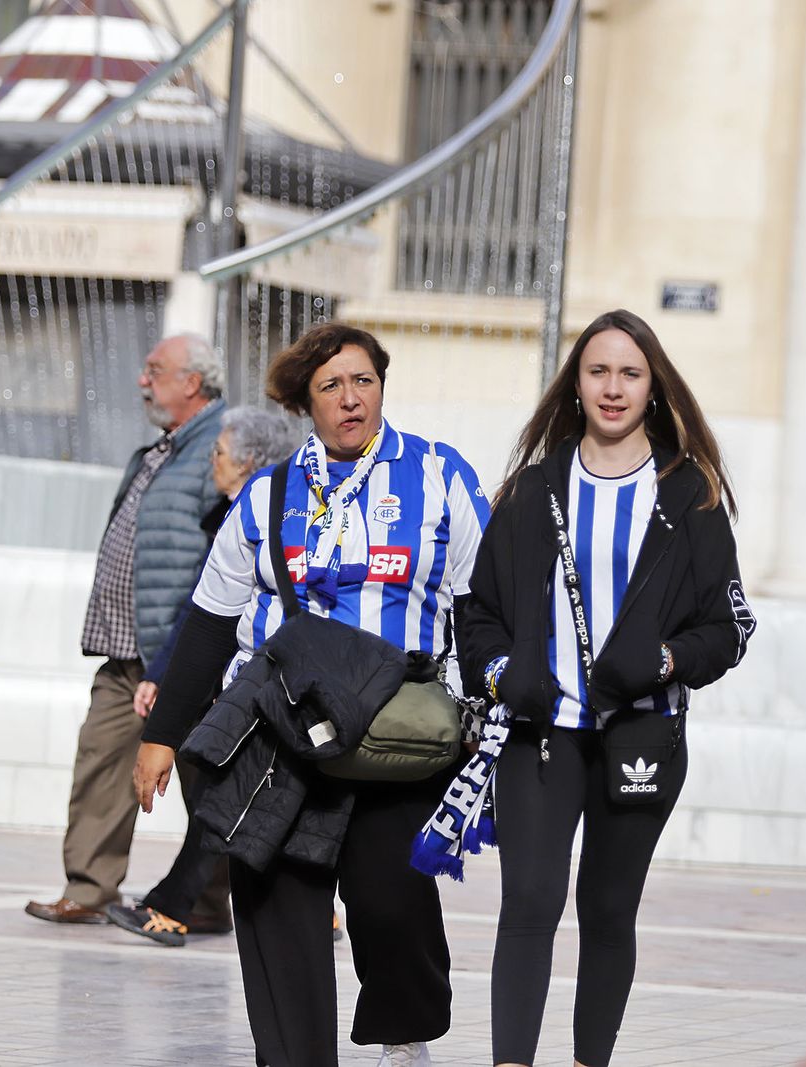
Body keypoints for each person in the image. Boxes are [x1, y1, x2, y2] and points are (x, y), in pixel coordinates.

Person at [133, 323, 489, 1067]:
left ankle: (404, 1033)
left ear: (382, 386)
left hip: (396, 733)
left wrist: (481, 707)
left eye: (363, 380)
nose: (351, 398)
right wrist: (161, 735)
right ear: (305, 402)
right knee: (278, 908)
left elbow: (480, 605)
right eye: (331, 386)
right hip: (279, 737)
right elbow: (210, 620)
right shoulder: (267, 494)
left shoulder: (439, 475)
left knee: (391, 898)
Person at [454, 309, 757, 1067]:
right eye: (598, 371)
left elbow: (728, 627)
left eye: (629, 373)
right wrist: (502, 674)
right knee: (528, 903)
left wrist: (663, 659)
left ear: (654, 387)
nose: (613, 388)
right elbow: (478, 613)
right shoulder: (531, 490)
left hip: (641, 734)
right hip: (541, 734)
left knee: (608, 909)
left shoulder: (688, 494)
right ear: (576, 384)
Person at [26, 333, 230, 926]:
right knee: (99, 763)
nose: (143, 381)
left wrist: (180, 659)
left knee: (206, 782)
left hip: (183, 655)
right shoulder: (159, 452)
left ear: (192, 382)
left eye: (154, 370)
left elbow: (220, 560)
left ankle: (208, 901)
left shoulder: (220, 449)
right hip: (125, 652)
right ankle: (89, 887)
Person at [107, 405, 299, 947]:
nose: (212, 460)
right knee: (232, 799)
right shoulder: (231, 517)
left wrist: (164, 679)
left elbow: (206, 619)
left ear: (249, 461)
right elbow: (200, 615)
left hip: (257, 685)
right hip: (242, 683)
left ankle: (172, 906)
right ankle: (193, 905)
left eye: (219, 451)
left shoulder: (265, 521)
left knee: (224, 799)